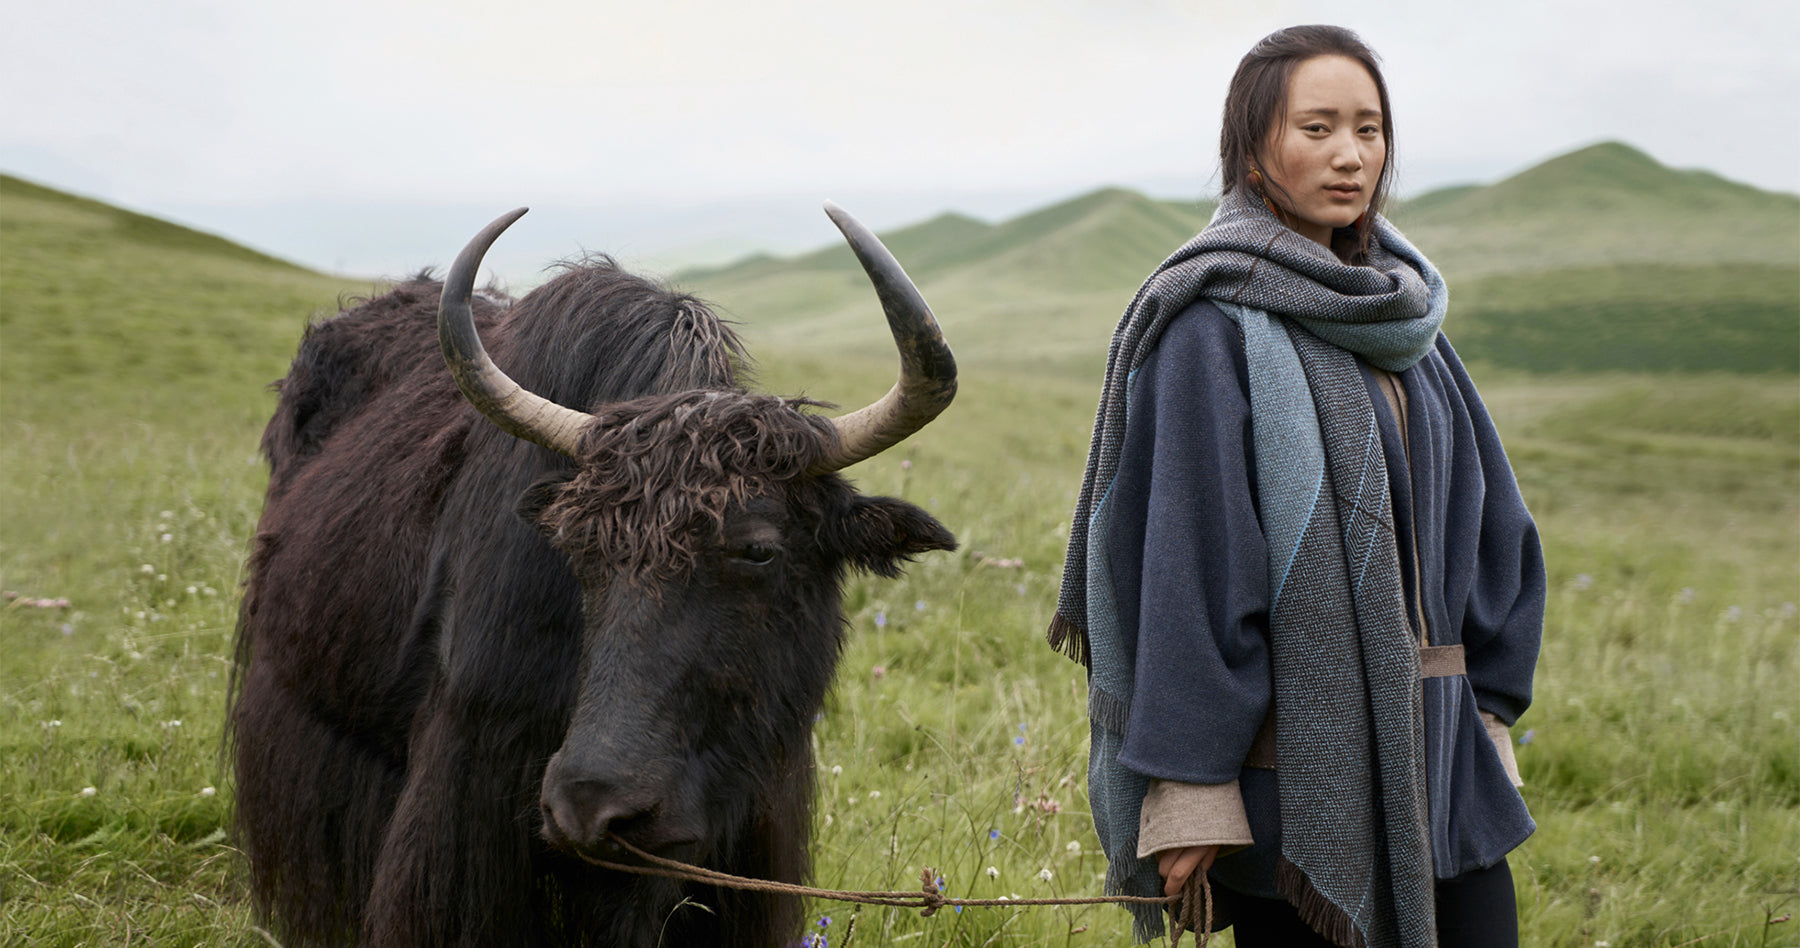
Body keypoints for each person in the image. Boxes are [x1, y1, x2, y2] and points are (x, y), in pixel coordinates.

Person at [1047, 25, 1543, 948]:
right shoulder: (1207, 329)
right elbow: (1192, 568)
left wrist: (1488, 713)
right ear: (1252, 149)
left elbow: (1489, 525)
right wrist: (1191, 791)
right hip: (1298, 790)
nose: (1351, 156)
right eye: (1317, 128)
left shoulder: (1401, 313)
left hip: (1441, 764)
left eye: (1370, 128)